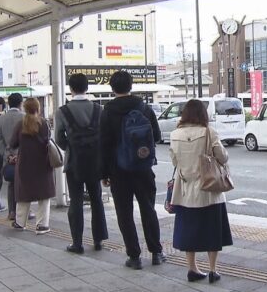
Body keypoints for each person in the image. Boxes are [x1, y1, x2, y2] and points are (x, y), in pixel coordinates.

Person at [100, 70, 166, 270]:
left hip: (118, 171)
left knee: (124, 213)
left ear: (112, 88)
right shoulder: (144, 108)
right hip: (143, 168)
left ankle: (134, 256)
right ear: (131, 86)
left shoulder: (107, 111)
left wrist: (104, 173)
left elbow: (103, 144)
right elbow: (155, 136)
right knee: (148, 209)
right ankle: (156, 252)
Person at [169, 99, 232, 283]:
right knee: (213, 230)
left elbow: (174, 161)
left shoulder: (174, 134)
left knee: (189, 230)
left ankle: (192, 268)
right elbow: (223, 156)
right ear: (203, 115)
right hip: (209, 190)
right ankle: (213, 270)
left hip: (186, 191)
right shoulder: (208, 132)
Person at [55, 73, 108, 254]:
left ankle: (77, 243)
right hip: (95, 162)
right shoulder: (98, 109)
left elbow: (58, 138)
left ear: (70, 88)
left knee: (76, 201)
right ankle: (99, 239)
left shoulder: (62, 111)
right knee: (96, 200)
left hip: (74, 162)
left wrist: (71, 147)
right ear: (87, 88)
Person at [10, 98, 55, 234]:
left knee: (24, 193)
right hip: (42, 163)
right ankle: (42, 225)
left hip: (25, 163)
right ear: (38, 108)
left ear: (25, 108)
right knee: (43, 194)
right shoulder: (44, 124)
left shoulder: (20, 124)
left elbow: (12, 143)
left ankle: (20, 222)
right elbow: (47, 141)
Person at [0, 93, 27, 221]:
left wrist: (7, 155)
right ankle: (24, 211)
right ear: (21, 103)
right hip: (24, 157)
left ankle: (12, 212)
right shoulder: (25, 118)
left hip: (8, 157)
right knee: (24, 183)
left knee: (11, 184)